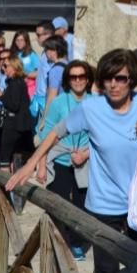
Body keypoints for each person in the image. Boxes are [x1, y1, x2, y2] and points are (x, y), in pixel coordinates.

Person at [7, 48, 137, 273]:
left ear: (132, 80)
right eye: (108, 79)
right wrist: (31, 164)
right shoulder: (91, 108)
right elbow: (56, 133)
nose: (113, 85)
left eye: (121, 79)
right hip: (104, 205)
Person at [41, 60, 96, 260]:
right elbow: (47, 133)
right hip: (61, 158)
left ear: (88, 79)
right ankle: (57, 242)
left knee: (82, 207)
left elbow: (103, 137)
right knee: (58, 203)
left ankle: (76, 242)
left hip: (86, 159)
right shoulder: (58, 102)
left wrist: (85, 154)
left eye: (82, 76)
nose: (78, 80)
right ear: (68, 80)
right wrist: (40, 165)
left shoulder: (96, 103)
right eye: (73, 77)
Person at [0, 55, 34, 171]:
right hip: (20, 125)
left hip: (14, 126)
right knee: (16, 158)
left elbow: (13, 105)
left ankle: (5, 187)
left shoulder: (16, 83)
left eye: (6, 66)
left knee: (4, 159)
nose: (3, 68)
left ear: (14, 67)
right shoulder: (17, 82)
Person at [30, 20, 55, 119]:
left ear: (48, 35)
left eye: (39, 35)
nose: (37, 38)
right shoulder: (45, 52)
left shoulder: (53, 53)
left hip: (47, 101)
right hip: (39, 98)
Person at [11, 30, 39, 100]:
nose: (19, 42)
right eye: (17, 40)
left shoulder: (31, 54)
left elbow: (39, 73)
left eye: (22, 40)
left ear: (26, 41)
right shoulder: (14, 53)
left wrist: (25, 74)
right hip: (16, 85)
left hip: (29, 86)